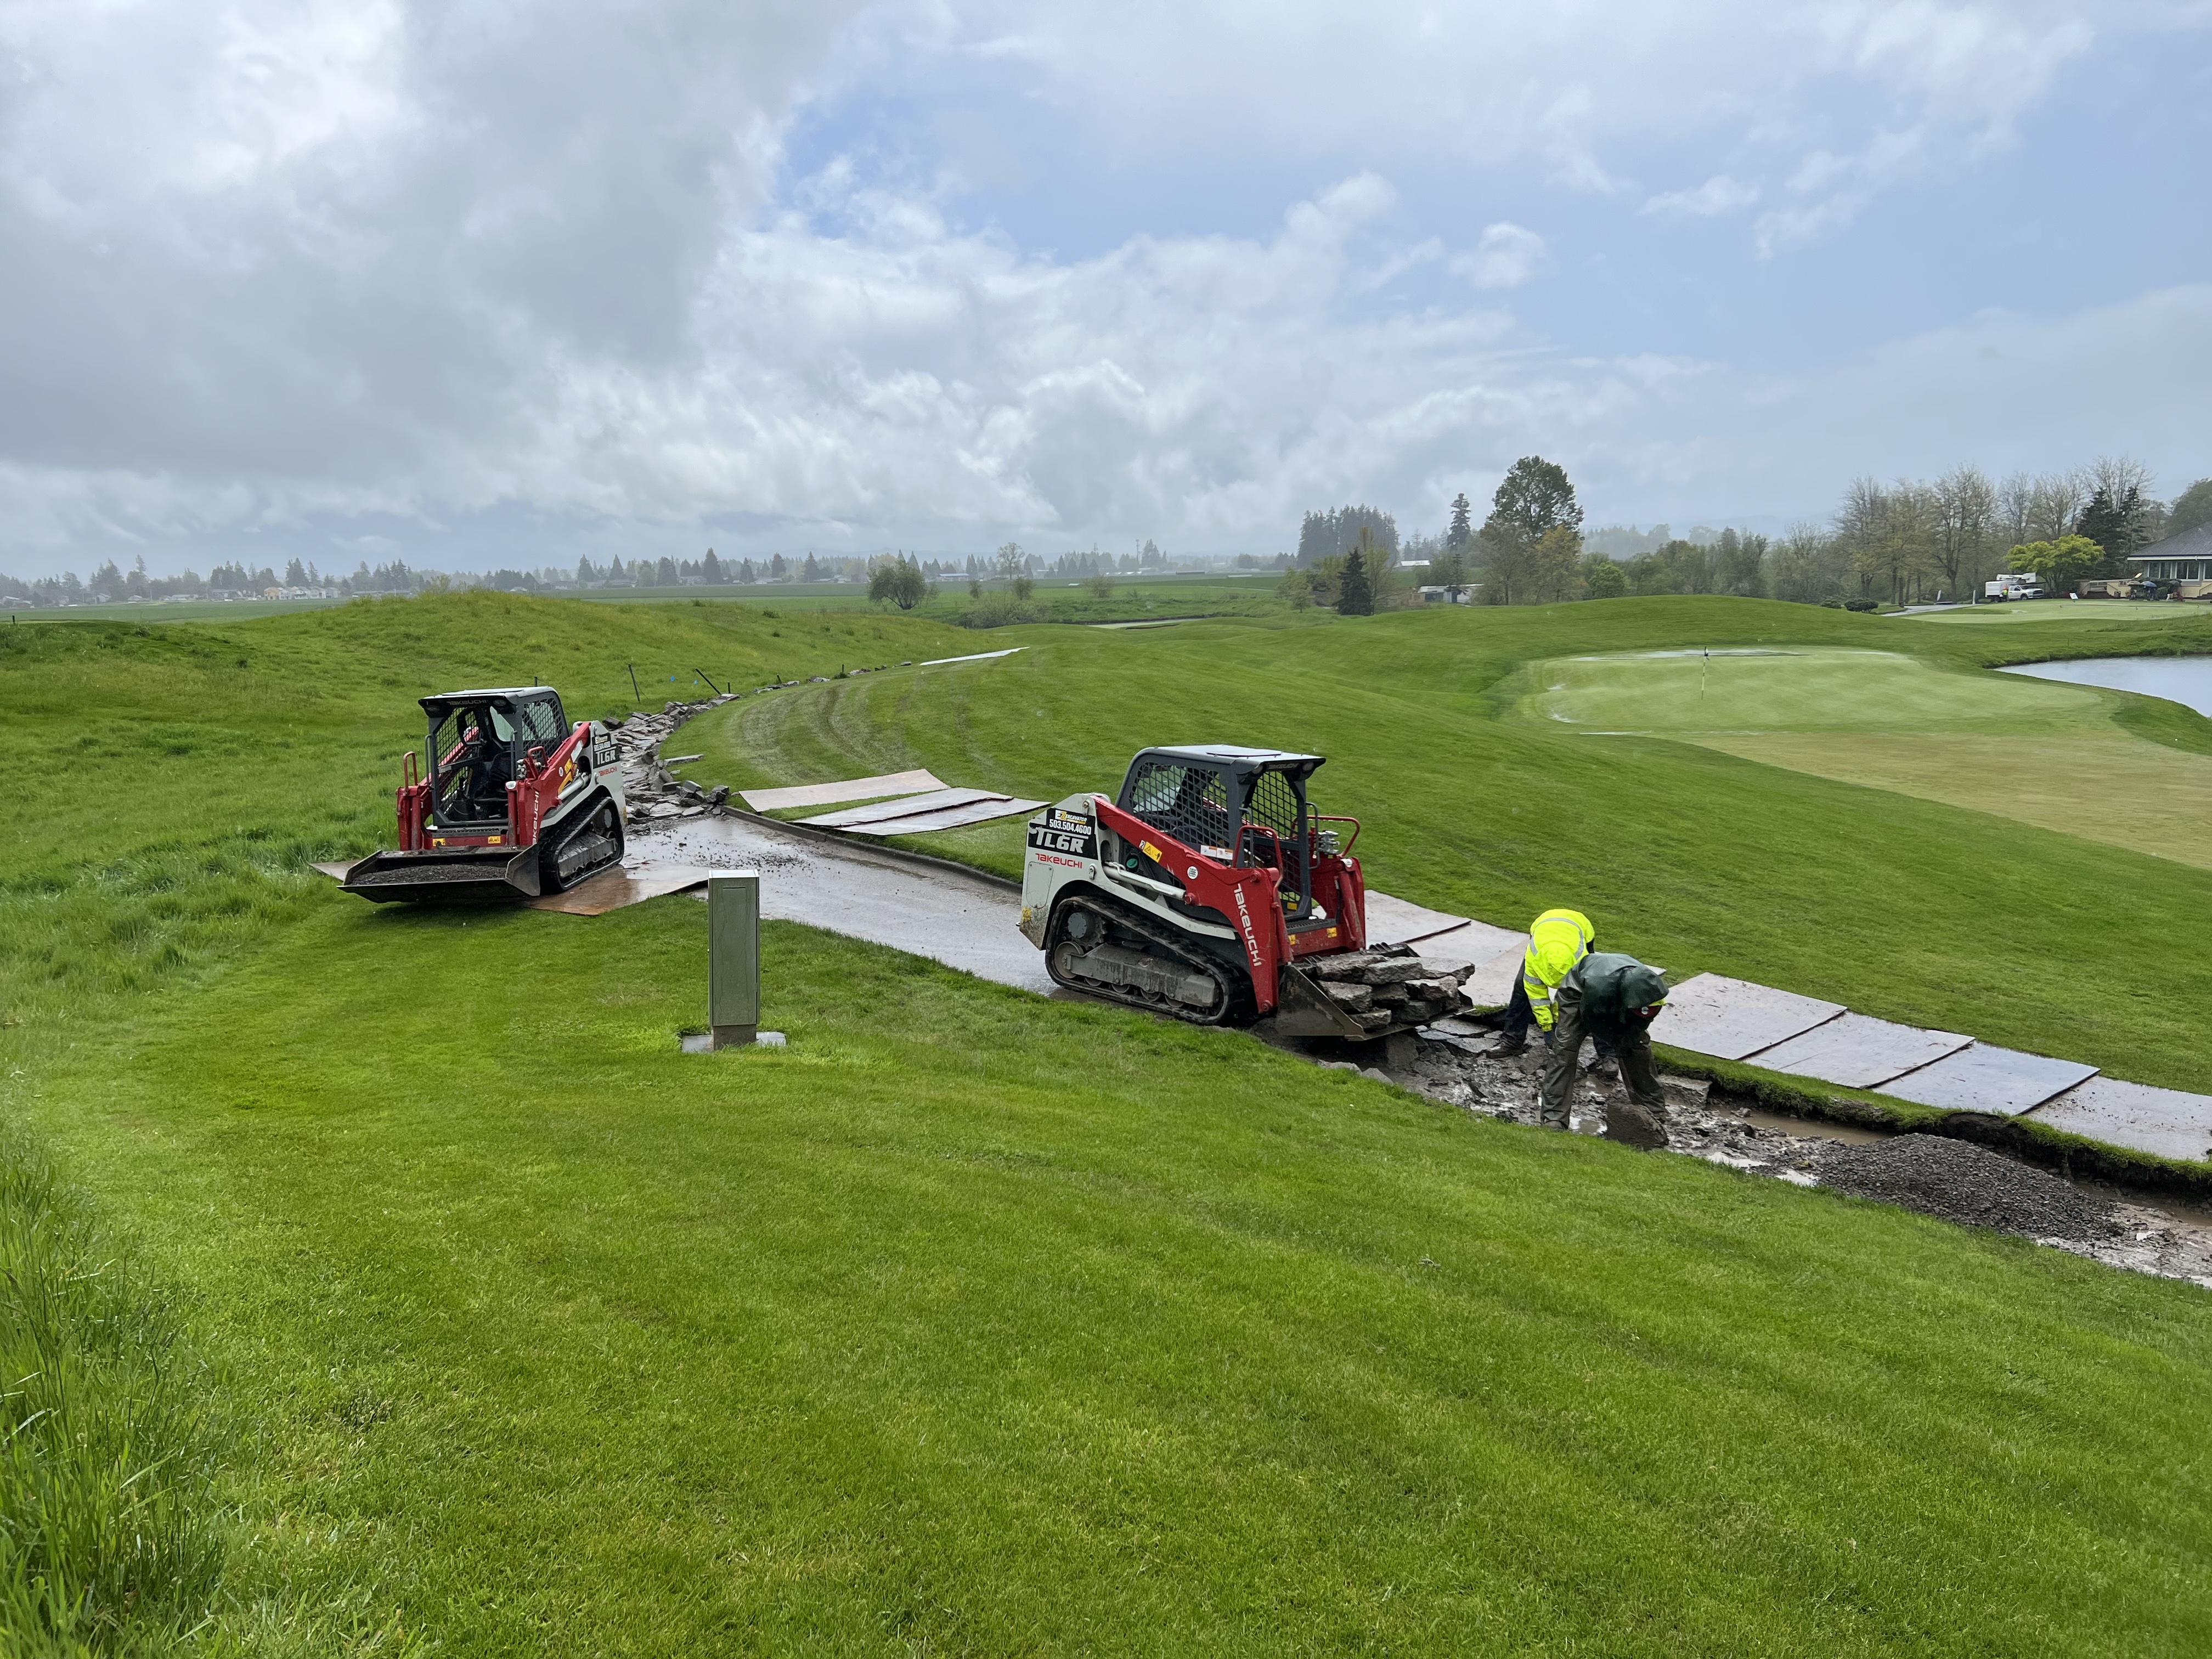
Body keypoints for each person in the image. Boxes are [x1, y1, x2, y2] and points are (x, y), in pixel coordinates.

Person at [1536, 952, 1671, 1136]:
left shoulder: (1652, 990)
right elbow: (1594, 1022)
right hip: (1580, 991)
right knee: (1565, 1049)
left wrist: (1630, 1037)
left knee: (1638, 1047)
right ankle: (1554, 1117)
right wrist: (1617, 1042)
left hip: (1624, 997)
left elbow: (1641, 1022)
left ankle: (1652, 1110)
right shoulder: (1599, 987)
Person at [1494, 907, 1608, 1062]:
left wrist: (1558, 1023)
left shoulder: (1581, 963)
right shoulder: (1535, 960)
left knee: (1592, 996)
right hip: (1543, 927)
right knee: (1522, 988)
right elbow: (1537, 997)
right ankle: (1512, 1042)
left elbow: (1570, 997)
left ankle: (1608, 1054)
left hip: (1580, 926)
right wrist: (1548, 1028)